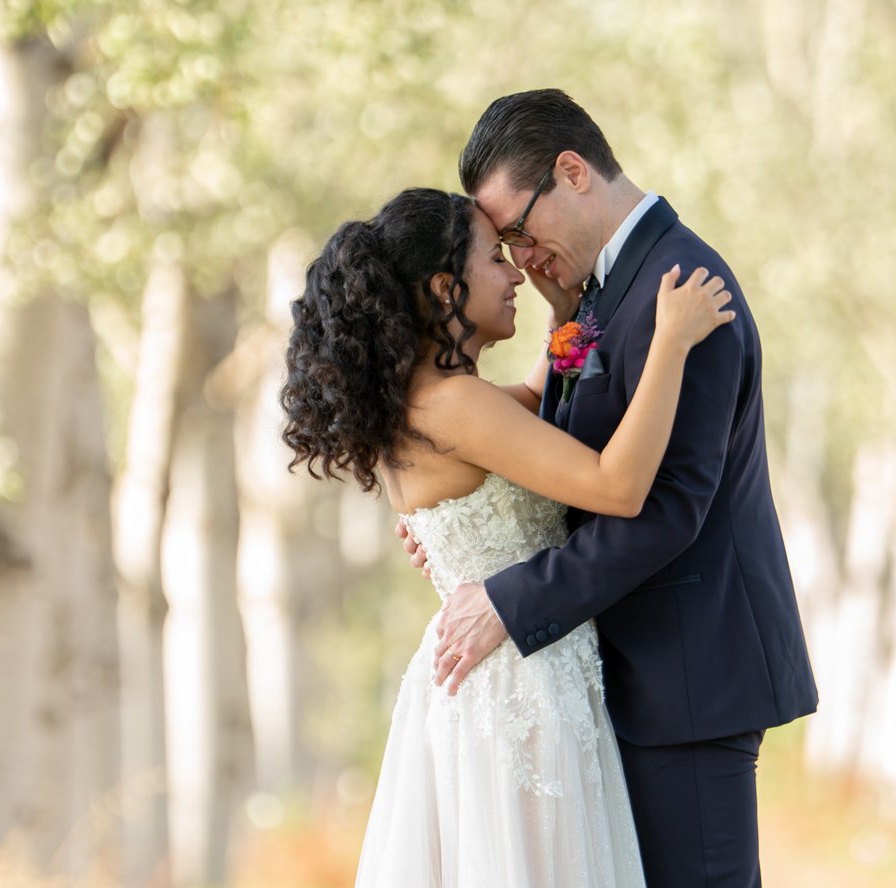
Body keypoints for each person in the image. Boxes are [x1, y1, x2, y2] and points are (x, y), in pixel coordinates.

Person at [408, 89, 819, 887]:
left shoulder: (684, 290)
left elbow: (665, 508)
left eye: (518, 231)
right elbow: (561, 449)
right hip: (625, 679)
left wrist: (508, 600)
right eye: (505, 245)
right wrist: (459, 515)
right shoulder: (601, 291)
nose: (521, 259)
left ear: (572, 172)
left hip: (689, 681)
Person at [281, 185, 736, 887]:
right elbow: (618, 487)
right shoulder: (455, 405)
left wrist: (564, 319)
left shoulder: (421, 402)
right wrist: (669, 344)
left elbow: (526, 406)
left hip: (489, 679)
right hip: (522, 688)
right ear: (445, 288)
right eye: (495, 258)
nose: (516, 272)